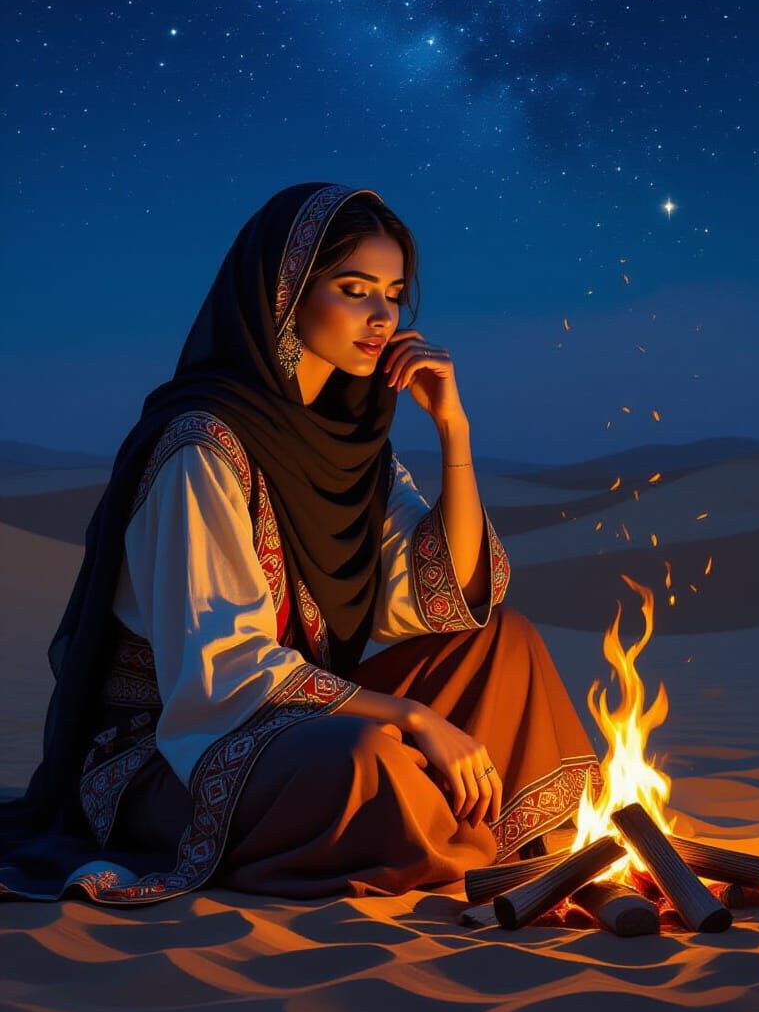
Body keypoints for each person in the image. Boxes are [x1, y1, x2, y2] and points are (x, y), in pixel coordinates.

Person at [0, 182, 602, 906]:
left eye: (394, 294)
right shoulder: (202, 448)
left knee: (506, 643)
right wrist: (414, 716)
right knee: (363, 763)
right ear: (284, 294)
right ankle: (463, 842)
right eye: (354, 289)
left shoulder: (352, 448)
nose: (382, 318)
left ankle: (478, 834)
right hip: (172, 751)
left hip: (287, 720)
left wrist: (455, 432)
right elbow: (229, 671)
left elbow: (444, 596)